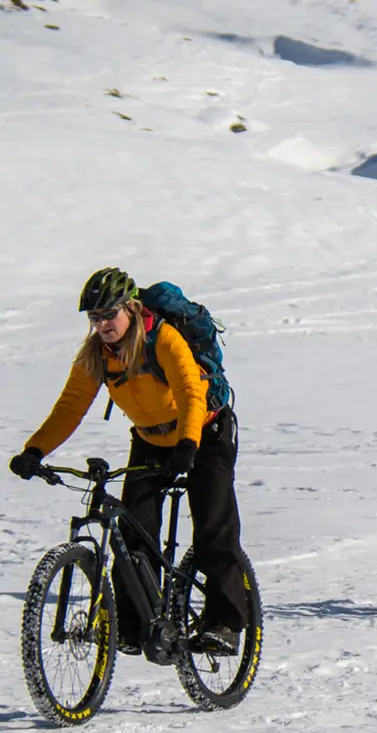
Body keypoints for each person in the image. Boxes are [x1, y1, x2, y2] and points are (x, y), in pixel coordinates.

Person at [9, 267, 246, 656]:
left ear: (131, 308)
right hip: (151, 440)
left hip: (204, 432)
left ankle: (226, 623)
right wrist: (35, 451)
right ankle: (134, 627)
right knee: (133, 531)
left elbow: (190, 393)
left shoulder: (163, 340)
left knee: (213, 525)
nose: (102, 324)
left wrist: (188, 444)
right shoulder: (96, 355)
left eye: (109, 314)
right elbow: (70, 407)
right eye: (95, 318)